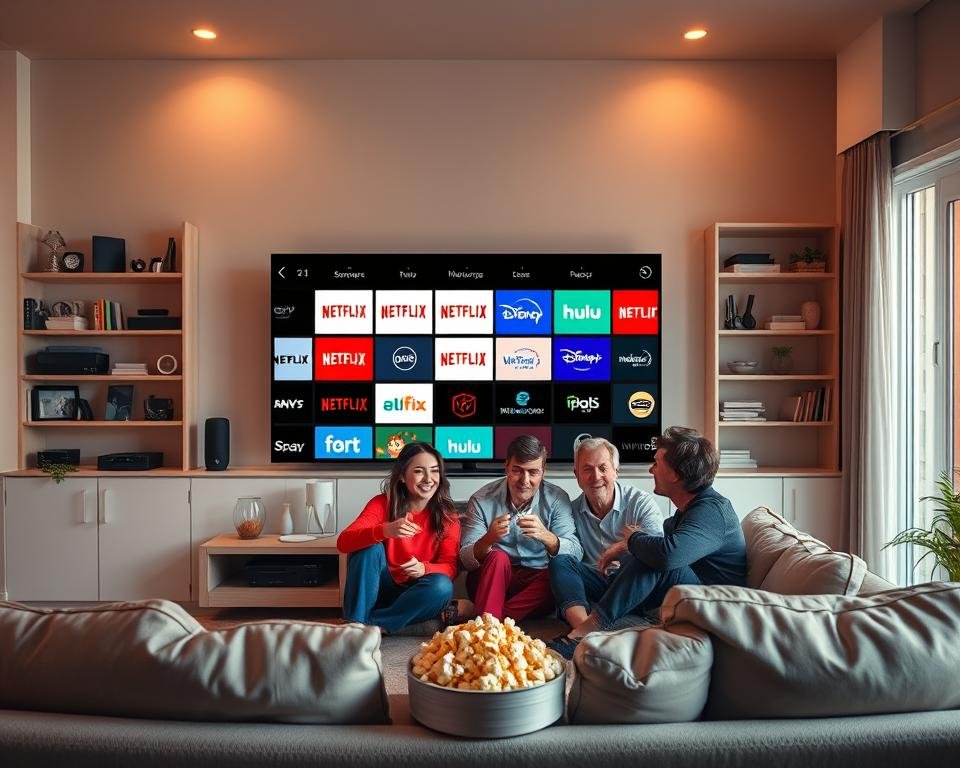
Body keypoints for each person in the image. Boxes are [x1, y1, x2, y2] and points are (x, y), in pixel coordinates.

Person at [547, 426, 747, 659]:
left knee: (654, 556)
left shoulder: (713, 511)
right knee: (563, 562)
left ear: (675, 474)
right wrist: (631, 545)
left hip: (711, 604)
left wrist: (632, 539)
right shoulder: (689, 511)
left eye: (657, 463)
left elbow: (667, 556)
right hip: (675, 595)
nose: (651, 470)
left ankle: (586, 631)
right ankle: (585, 628)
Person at [337, 442, 466, 634]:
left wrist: (424, 568)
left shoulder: (448, 517)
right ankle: (360, 623)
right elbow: (344, 542)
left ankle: (365, 626)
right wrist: (384, 531)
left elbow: (450, 567)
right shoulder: (381, 504)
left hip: (415, 594)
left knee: (442, 586)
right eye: (419, 471)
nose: (429, 479)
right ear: (402, 477)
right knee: (368, 548)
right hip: (378, 589)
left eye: (434, 471)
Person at [459, 434, 582, 621]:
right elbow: (465, 561)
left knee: (558, 572)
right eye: (517, 471)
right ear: (506, 466)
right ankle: (492, 621)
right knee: (497, 556)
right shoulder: (481, 499)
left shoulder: (557, 498)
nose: (524, 480)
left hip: (535, 589)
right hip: (493, 580)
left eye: (533, 472)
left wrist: (547, 537)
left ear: (543, 471)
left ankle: (491, 623)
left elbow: (576, 554)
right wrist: (488, 539)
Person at [548, 437, 663, 631]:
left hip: (634, 586)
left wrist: (622, 547)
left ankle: (600, 624)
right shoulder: (571, 511)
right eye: (587, 469)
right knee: (560, 561)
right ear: (576, 475)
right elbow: (569, 554)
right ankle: (583, 630)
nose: (595, 476)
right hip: (598, 584)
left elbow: (657, 550)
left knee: (647, 560)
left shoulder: (640, 502)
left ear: (616, 471)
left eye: (603, 468)